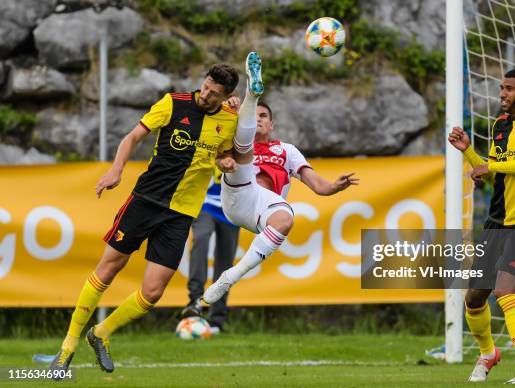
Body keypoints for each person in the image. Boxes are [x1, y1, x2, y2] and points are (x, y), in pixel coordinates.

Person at [49, 62, 243, 377]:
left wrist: (227, 162)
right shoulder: (173, 103)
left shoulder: (228, 120)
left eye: (214, 94)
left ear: (226, 96)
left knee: (153, 292)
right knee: (108, 268)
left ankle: (100, 334)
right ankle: (66, 349)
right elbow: (133, 136)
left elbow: (221, 156)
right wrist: (116, 169)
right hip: (146, 201)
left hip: (181, 213)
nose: (206, 95)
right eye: (205, 87)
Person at [203, 52, 359, 305]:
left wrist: (334, 187)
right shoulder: (234, 131)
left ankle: (230, 276)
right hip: (237, 196)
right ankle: (252, 95)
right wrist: (225, 161)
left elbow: (318, 186)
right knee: (243, 146)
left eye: (263, 116)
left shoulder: (287, 151)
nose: (258, 119)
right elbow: (221, 158)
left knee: (285, 218)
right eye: (254, 115)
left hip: (262, 211)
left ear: (272, 124)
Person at [448, 68, 515, 384]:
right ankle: (489, 354)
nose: (503, 93)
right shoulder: (500, 125)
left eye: (509, 89)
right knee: (474, 298)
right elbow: (496, 174)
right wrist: (468, 151)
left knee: (506, 292)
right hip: (497, 219)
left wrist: (490, 165)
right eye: (501, 88)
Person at [181, 164, 240, 333]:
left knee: (225, 261)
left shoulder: (248, 144)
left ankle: (217, 319)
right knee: (201, 239)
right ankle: (195, 302)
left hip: (232, 209)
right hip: (204, 203)